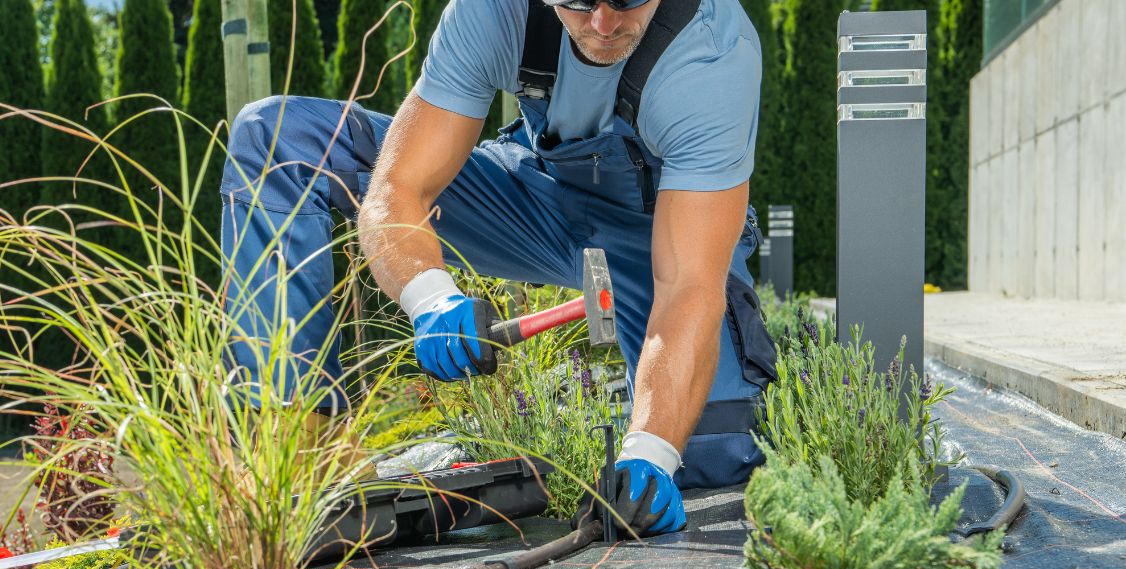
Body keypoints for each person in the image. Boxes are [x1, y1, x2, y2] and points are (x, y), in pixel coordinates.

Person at [220, 0, 777, 535]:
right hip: (535, 199)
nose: (603, 22)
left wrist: (652, 451)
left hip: (654, 233)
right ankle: (299, 458)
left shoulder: (710, 54)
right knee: (280, 141)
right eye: (577, 1)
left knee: (707, 449)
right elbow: (401, 185)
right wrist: (429, 296)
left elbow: (688, 288)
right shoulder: (493, 9)